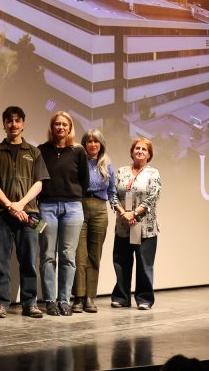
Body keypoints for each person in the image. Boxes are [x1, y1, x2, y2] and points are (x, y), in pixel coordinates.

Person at [0, 106, 49, 319]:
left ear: (23, 123)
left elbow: (39, 183)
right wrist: (10, 206)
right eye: (9, 121)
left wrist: (21, 204)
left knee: (29, 260)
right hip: (2, 215)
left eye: (17, 120)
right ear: (4, 124)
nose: (13, 124)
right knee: (1, 261)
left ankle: (30, 303)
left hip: (28, 214)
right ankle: (1, 303)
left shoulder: (34, 152)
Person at [36, 112, 88, 316]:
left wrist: (72, 196)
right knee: (48, 255)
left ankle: (64, 300)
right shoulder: (41, 150)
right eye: (57, 124)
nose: (60, 127)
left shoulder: (78, 151)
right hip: (47, 206)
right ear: (52, 127)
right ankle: (50, 300)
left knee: (68, 256)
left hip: (73, 208)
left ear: (70, 127)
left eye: (64, 124)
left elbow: (84, 181)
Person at [110, 137, 161, 310]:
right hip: (123, 226)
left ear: (149, 154)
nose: (140, 151)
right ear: (132, 151)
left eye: (144, 149)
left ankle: (144, 299)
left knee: (144, 265)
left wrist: (134, 212)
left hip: (145, 227)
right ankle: (121, 297)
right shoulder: (121, 171)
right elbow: (113, 194)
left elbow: (153, 197)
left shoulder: (153, 173)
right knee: (121, 262)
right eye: (137, 148)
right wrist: (123, 213)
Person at [72, 129, 116, 313]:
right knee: (79, 256)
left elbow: (112, 191)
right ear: (84, 144)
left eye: (96, 141)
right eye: (89, 141)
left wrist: (120, 210)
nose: (92, 144)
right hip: (79, 206)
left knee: (94, 255)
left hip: (100, 209)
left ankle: (90, 297)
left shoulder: (107, 164)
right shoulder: (77, 161)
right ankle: (78, 297)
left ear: (101, 144)